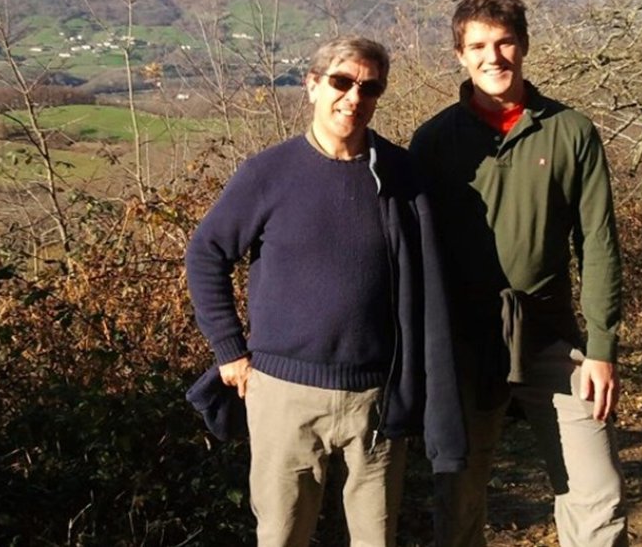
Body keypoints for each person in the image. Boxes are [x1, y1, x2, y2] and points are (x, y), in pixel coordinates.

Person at [185, 36, 466, 546]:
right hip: (284, 395)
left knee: (376, 538)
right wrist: (230, 353)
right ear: (312, 85)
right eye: (341, 81)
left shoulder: (400, 175)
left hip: (377, 399)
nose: (354, 97)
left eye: (369, 86)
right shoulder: (268, 174)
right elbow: (206, 254)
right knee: (283, 535)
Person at [410, 0, 628, 546]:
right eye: (478, 45)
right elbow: (413, 253)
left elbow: (598, 242)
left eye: (505, 42)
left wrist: (601, 349)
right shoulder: (434, 142)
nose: (493, 56)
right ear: (460, 54)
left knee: (597, 498)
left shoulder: (570, 130)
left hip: (552, 337)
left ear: (524, 45)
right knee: (456, 505)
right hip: (465, 346)